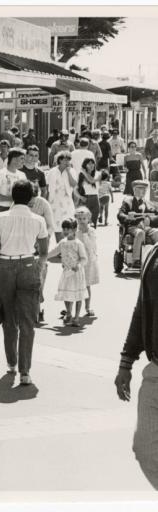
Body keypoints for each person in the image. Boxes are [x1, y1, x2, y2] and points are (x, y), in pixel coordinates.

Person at [0, 180, 48, 385]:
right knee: (28, 322)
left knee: (9, 319)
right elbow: (44, 252)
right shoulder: (38, 220)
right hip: (28, 265)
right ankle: (25, 371)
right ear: (31, 198)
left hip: (4, 266)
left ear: (12, 196)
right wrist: (39, 271)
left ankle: (11, 363)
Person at [115, 240, 158, 489]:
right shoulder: (153, 253)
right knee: (145, 448)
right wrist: (126, 361)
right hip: (155, 370)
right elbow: (142, 309)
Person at [47, 218, 88, 327]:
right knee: (66, 294)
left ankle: (76, 317)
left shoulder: (78, 243)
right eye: (64, 229)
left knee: (78, 295)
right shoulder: (63, 242)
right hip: (66, 272)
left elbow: (84, 258)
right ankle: (69, 312)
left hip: (76, 272)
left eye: (68, 229)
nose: (65, 231)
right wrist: (43, 256)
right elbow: (54, 252)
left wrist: (78, 266)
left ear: (74, 229)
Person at [28, 182, 55, 323]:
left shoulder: (43, 204)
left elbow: (51, 226)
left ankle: (37, 306)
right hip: (25, 245)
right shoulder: (18, 202)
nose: (31, 202)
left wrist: (43, 238)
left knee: (40, 272)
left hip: (41, 243)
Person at [117, 179, 158, 266]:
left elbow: (156, 214)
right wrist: (128, 217)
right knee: (140, 233)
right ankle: (136, 260)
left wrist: (150, 220)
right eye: (141, 188)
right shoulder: (128, 202)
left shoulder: (148, 203)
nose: (144, 191)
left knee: (156, 233)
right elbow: (120, 214)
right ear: (134, 190)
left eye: (145, 189)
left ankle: (155, 258)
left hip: (146, 227)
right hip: (133, 227)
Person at [46, 151, 78, 242]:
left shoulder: (72, 171)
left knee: (67, 223)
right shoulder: (52, 171)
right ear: (59, 160)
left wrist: (68, 172)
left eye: (68, 160)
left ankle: (68, 244)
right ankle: (59, 245)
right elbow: (47, 187)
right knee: (56, 224)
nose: (67, 162)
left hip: (66, 201)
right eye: (64, 160)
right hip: (54, 200)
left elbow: (74, 184)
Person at [75, 206, 99, 317]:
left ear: (88, 219)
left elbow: (92, 246)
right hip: (77, 261)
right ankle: (72, 309)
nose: (82, 221)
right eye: (79, 219)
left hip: (88, 261)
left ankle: (87, 307)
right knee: (74, 285)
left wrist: (85, 234)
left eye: (84, 219)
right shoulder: (75, 231)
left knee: (86, 285)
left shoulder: (91, 231)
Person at [0, 148, 27, 213]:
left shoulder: (23, 175)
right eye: (22, 158)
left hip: (20, 209)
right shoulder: (0, 174)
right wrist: (11, 199)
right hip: (4, 209)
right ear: (14, 159)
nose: (24, 161)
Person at [77, 158, 101, 228]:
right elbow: (75, 189)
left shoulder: (98, 174)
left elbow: (92, 181)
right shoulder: (81, 176)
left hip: (95, 199)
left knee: (93, 224)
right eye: (89, 163)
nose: (91, 165)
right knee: (84, 225)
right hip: (85, 199)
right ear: (85, 165)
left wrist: (84, 172)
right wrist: (80, 197)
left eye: (92, 163)